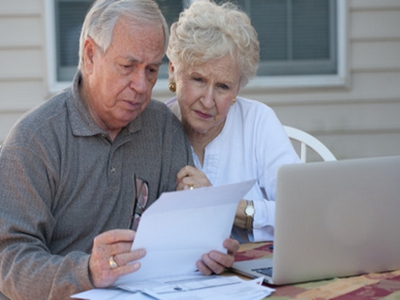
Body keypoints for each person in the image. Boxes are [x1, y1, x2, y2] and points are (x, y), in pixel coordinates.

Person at [0, 1, 239, 299]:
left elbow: (174, 242)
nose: (141, 85)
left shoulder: (163, 128)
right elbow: (9, 262)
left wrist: (206, 249)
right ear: (90, 55)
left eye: (151, 70)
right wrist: (87, 271)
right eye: (127, 66)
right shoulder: (34, 141)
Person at [166, 0, 301, 243]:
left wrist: (223, 205)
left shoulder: (258, 122)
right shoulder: (154, 129)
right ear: (173, 71)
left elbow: (302, 209)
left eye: (223, 86)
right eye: (198, 79)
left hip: (258, 273)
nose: (208, 101)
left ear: (238, 88)